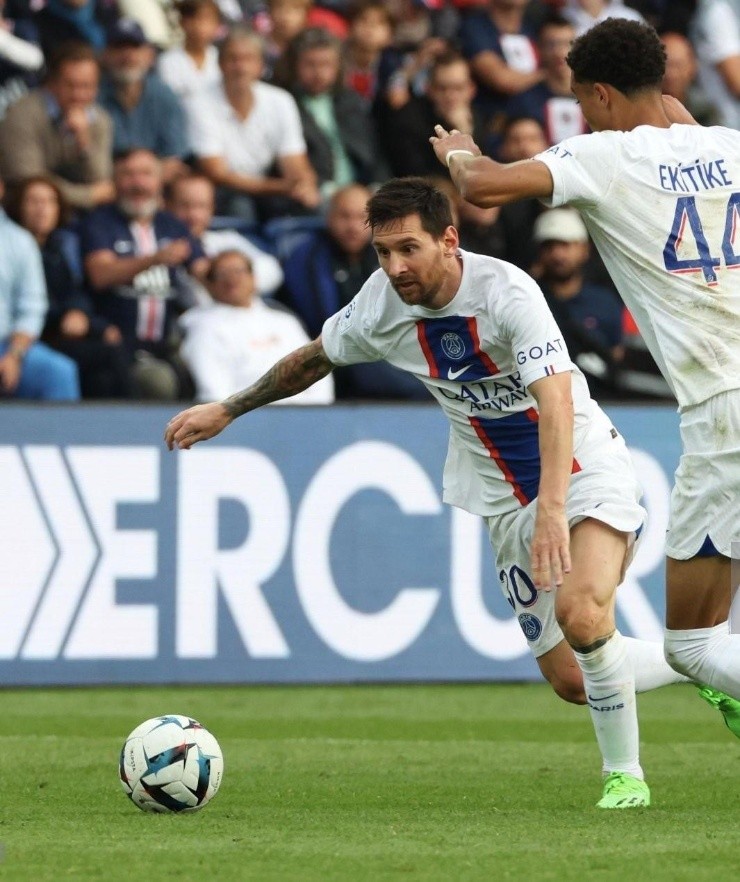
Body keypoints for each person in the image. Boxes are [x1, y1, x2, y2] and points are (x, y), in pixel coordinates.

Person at [165, 177, 699, 808]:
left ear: (449, 240)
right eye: (383, 252)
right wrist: (230, 408)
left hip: (582, 467)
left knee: (583, 614)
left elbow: (554, 401)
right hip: (502, 499)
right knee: (570, 679)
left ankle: (625, 778)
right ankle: (701, 661)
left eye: (408, 249)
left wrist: (554, 508)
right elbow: (312, 359)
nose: (395, 267)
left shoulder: (507, 293)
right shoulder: (380, 305)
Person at [431, 16, 740, 771]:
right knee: (701, 636)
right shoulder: (727, 145)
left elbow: (483, 187)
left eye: (581, 102)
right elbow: (675, 121)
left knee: (694, 645)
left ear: (598, 96)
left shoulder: (601, 157)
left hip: (725, 415)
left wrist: (458, 150)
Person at [80, 147, 208, 399]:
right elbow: (101, 274)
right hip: (115, 345)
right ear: (115, 180)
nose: (138, 183)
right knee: (159, 383)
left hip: (165, 345)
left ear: (160, 181)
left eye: (146, 174)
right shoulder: (100, 222)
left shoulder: (171, 224)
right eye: (128, 174)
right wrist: (155, 259)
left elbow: (203, 270)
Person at [278, 182, 427, 399]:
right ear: (328, 217)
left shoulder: (388, 254)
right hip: (338, 352)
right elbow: (321, 323)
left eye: (361, 218)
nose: (353, 226)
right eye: (344, 216)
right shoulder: (306, 258)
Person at [7, 174, 132, 398]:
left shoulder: (62, 246)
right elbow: (33, 304)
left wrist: (87, 319)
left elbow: (76, 291)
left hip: (64, 330)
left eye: (49, 202)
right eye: (33, 201)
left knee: (104, 373)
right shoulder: (12, 245)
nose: (42, 209)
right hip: (37, 334)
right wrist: (70, 316)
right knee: (106, 357)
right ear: (18, 206)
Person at [186, 25, 320, 222]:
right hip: (221, 191)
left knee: (315, 206)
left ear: (260, 65)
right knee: (241, 206)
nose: (240, 67)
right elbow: (216, 172)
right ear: (220, 64)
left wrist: (304, 185)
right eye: (233, 59)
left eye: (248, 59)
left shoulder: (280, 100)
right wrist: (283, 187)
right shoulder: (199, 103)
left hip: (268, 186)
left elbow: (294, 160)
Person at [179, 248, 335, 403]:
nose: (232, 279)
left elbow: (317, 369)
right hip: (242, 416)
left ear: (254, 278)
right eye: (222, 274)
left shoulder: (285, 322)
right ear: (210, 285)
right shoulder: (203, 326)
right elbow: (213, 393)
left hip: (303, 415)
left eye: (238, 271)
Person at [0, 42, 115, 211]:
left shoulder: (100, 119)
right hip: (26, 210)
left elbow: (102, 182)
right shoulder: (21, 115)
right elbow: (29, 182)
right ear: (52, 83)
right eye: (71, 85)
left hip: (80, 212)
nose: (79, 95)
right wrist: (88, 196)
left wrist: (84, 141)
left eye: (87, 86)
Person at [280, 27, 388, 200]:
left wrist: (377, 185)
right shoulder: (283, 102)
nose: (319, 73)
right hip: (316, 194)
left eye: (326, 64)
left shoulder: (350, 101)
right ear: (294, 65)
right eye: (310, 64)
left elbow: (373, 152)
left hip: (361, 192)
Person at [0, 176, 79, 400]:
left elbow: (32, 307)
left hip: (5, 346)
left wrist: (14, 356)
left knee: (58, 372)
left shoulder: (19, 240)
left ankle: (66, 436)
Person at [532, 207, 624, 399]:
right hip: (539, 400)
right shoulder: (527, 301)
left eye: (565, 245)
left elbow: (615, 355)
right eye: (549, 246)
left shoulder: (604, 302)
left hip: (601, 401)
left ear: (584, 249)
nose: (557, 255)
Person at [99, 18, 191, 184]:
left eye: (134, 47)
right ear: (105, 55)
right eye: (118, 48)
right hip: (106, 187)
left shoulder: (164, 96)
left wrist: (141, 182)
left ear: (149, 55)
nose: (127, 55)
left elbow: (174, 157)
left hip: (156, 188)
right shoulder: (92, 96)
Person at [166, 172, 283, 298]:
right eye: (185, 206)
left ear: (212, 209)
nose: (193, 215)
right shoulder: (156, 244)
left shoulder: (228, 240)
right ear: (167, 206)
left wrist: (226, 274)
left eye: (201, 206)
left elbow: (272, 271)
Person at [157, 0, 223, 103]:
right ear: (182, 22)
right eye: (195, 18)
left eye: (207, 19)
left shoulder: (223, 60)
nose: (201, 26)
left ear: (216, 25)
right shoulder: (168, 62)